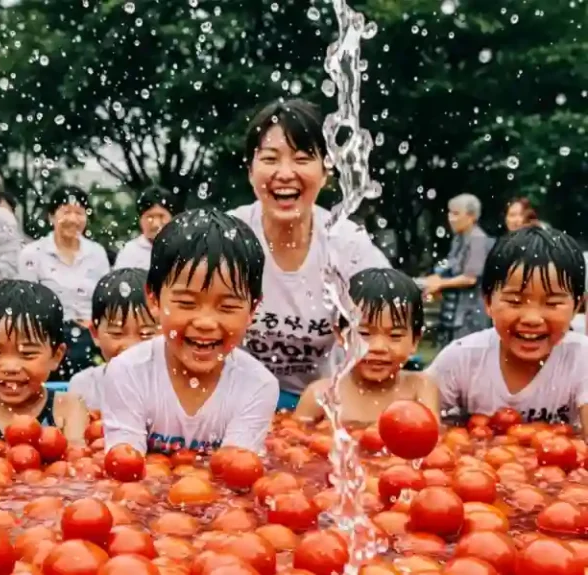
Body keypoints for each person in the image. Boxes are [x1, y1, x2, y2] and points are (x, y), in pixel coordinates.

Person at [229, 98, 390, 409]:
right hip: (232, 400)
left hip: (322, 406)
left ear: (325, 171)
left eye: (302, 159)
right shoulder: (228, 237)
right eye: (271, 159)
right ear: (250, 171)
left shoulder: (348, 245)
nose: (285, 173)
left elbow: (391, 318)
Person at [101, 208, 279, 454]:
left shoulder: (257, 385)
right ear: (153, 299)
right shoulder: (127, 372)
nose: (205, 322)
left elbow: (237, 471)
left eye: (227, 307)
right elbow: (124, 467)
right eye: (186, 303)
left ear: (252, 310)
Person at [427, 226, 588, 429]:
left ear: (577, 306)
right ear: (488, 302)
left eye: (552, 303)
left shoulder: (582, 359)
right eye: (514, 301)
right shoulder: (461, 359)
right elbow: (417, 424)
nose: (532, 319)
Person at [0, 280, 89, 452]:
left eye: (27, 354)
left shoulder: (68, 406)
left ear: (56, 356)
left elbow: (78, 463)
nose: (10, 367)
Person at [294, 268, 439, 424]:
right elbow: (293, 440)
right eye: (363, 333)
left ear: (415, 341)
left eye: (395, 335)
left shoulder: (419, 389)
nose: (378, 347)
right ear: (341, 335)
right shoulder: (321, 395)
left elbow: (436, 443)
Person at [18, 185, 110, 379]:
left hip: (89, 335)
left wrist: (92, 324)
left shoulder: (97, 253)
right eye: (66, 212)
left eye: (79, 213)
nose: (73, 219)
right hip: (49, 335)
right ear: (51, 217)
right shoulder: (33, 254)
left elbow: (105, 300)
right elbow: (26, 305)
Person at [69, 268, 158, 409]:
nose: (132, 347)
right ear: (95, 334)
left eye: (146, 334)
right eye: (117, 333)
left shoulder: (175, 388)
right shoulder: (84, 386)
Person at [421, 193, 491, 345]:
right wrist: (436, 278)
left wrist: (441, 284)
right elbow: (450, 266)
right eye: (450, 213)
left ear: (471, 216)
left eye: (456, 214)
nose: (451, 218)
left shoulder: (477, 239)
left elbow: (470, 277)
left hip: (469, 314)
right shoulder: (458, 239)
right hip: (453, 311)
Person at [114, 185, 180, 271]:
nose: (156, 224)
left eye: (161, 216)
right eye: (150, 217)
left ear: (173, 218)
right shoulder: (129, 252)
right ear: (140, 219)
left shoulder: (184, 249)